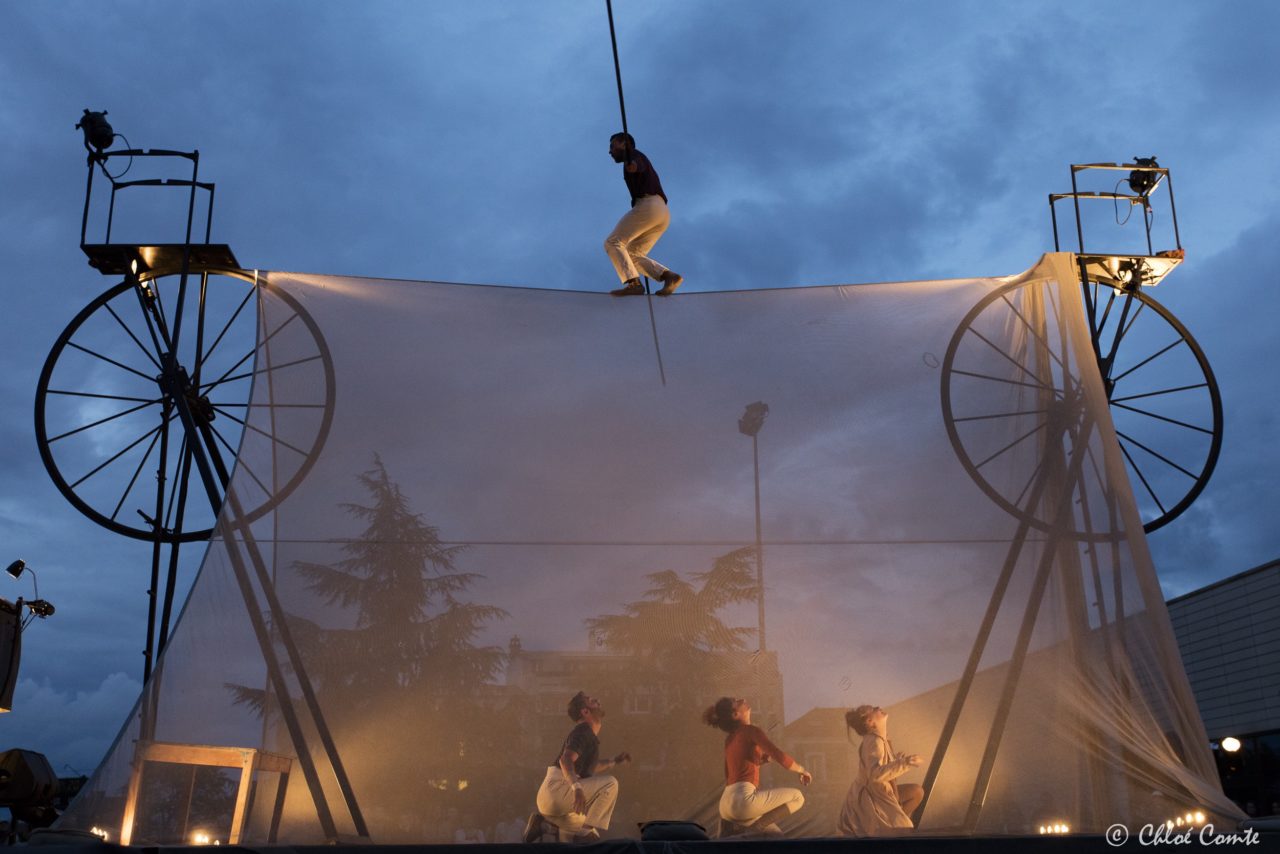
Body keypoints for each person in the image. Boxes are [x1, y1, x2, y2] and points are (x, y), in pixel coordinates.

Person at [524, 691, 631, 843]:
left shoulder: (588, 735)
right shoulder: (583, 731)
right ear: (585, 711)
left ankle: (545, 826)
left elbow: (591, 767)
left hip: (553, 804)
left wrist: (614, 761)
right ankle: (582, 831)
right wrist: (577, 788)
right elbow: (565, 760)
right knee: (610, 784)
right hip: (557, 790)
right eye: (592, 701)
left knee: (586, 832)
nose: (597, 700)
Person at [703, 696, 810, 836]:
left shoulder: (730, 739)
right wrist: (802, 770)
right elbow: (781, 757)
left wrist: (761, 760)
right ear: (736, 714)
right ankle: (754, 830)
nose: (743, 699)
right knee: (798, 797)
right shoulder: (751, 731)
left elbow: (734, 772)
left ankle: (744, 832)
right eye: (737, 702)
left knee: (776, 835)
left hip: (725, 807)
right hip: (743, 802)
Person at [604, 132, 683, 297]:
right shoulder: (635, 157)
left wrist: (632, 166)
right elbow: (636, 166)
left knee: (612, 242)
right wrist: (632, 166)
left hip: (648, 205)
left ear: (624, 144)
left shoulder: (634, 155)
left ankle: (634, 283)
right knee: (632, 254)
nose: (610, 151)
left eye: (612, 146)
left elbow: (636, 165)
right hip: (662, 212)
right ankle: (668, 276)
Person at [837, 704, 924, 837]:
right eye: (873, 710)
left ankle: (890, 827)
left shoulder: (881, 739)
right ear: (870, 721)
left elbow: (880, 765)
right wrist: (905, 763)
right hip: (872, 799)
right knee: (904, 827)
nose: (878, 707)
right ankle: (889, 829)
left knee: (916, 792)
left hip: (881, 792)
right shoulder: (874, 741)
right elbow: (875, 774)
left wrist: (895, 761)